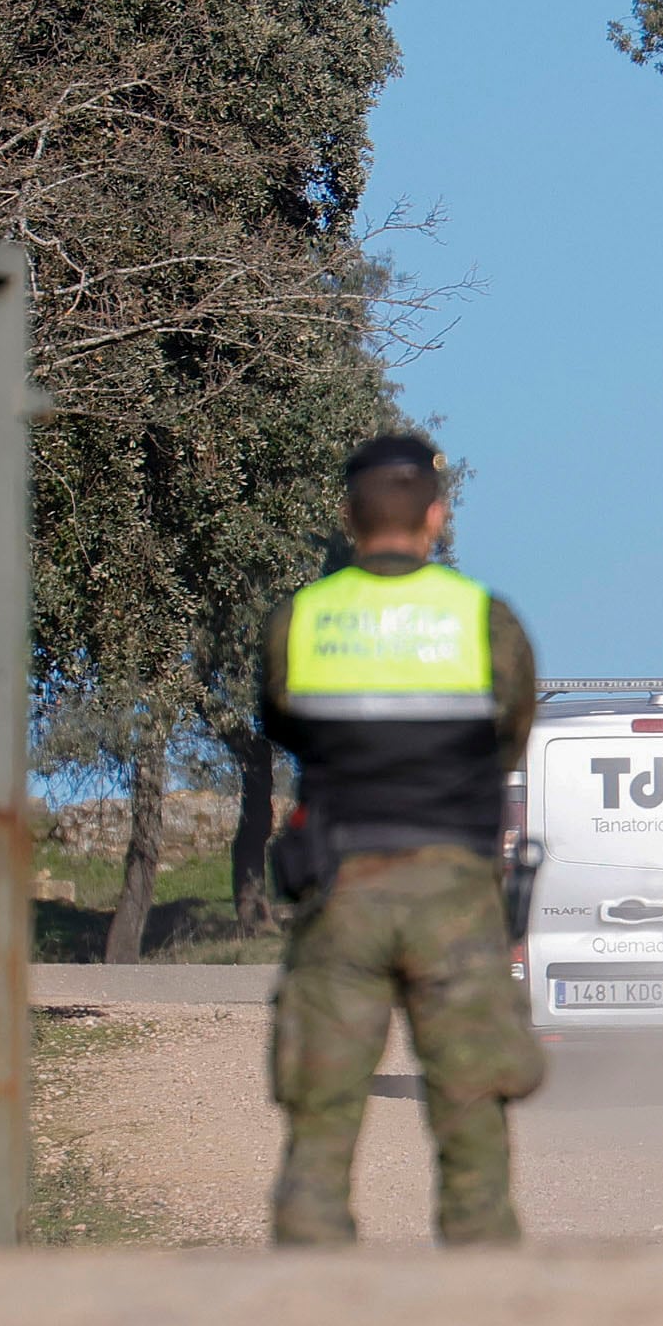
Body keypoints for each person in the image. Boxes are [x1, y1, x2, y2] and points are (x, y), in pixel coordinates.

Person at [259, 433, 545, 1246]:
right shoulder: (484, 622)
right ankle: (483, 1286)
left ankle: (312, 1296)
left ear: (349, 518)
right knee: (470, 1100)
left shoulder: (301, 621)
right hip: (454, 891)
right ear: (435, 516)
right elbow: (511, 736)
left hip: (339, 889)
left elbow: (282, 722)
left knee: (321, 1105)